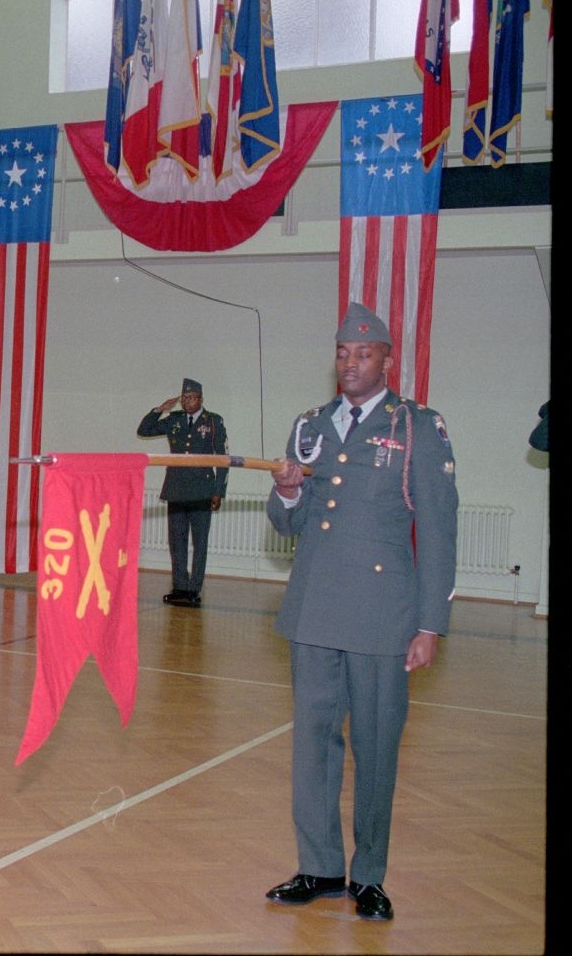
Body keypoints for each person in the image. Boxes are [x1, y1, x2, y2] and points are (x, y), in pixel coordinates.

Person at [263, 302, 458, 922]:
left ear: (386, 361)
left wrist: (429, 624)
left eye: (363, 353)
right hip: (315, 609)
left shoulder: (418, 428)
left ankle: (368, 874)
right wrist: (287, 490)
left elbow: (437, 528)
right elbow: (287, 522)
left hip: (382, 615)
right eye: (343, 352)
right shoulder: (311, 425)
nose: (350, 363)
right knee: (313, 746)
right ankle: (319, 867)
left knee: (375, 748)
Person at [136, 378, 228, 608]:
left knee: (200, 543)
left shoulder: (213, 421)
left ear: (201, 399)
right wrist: (159, 410)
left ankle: (194, 589)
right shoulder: (174, 420)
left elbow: (224, 459)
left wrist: (218, 491)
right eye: (184, 398)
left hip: (202, 490)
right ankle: (180, 587)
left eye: (192, 398)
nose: (188, 402)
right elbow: (144, 430)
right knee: (176, 541)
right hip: (176, 489)